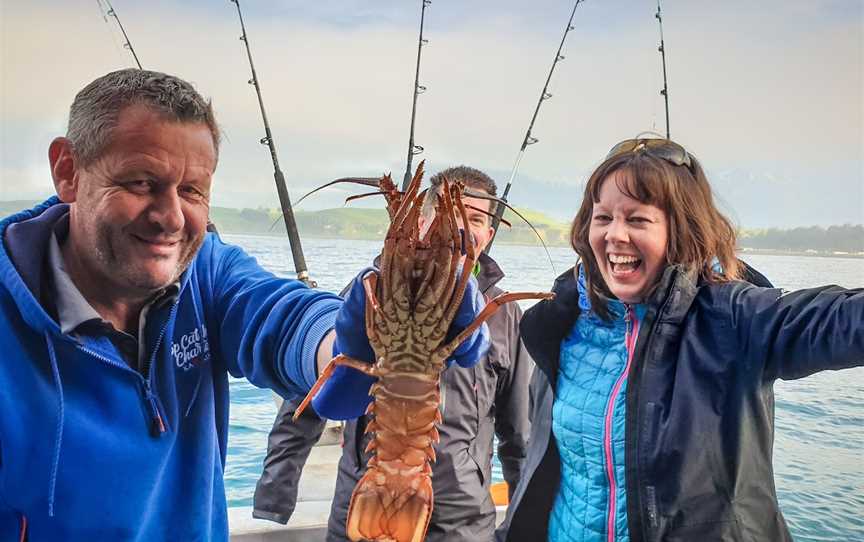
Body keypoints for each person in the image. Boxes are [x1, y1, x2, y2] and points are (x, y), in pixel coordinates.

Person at [0, 68, 489, 542]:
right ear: (68, 171)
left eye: (192, 190)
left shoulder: (205, 271)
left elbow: (288, 320)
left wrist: (354, 336)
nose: (171, 217)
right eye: (140, 182)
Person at [497, 137, 864, 541]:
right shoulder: (560, 320)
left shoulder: (733, 317)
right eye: (603, 218)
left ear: (680, 230)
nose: (615, 235)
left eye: (637, 219)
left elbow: (834, 320)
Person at [253, 166, 534, 541]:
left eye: (477, 219)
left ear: (490, 233)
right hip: (365, 496)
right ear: (422, 221)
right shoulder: (371, 288)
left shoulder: (504, 315)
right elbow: (315, 381)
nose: (465, 228)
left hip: (461, 526)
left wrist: (522, 522)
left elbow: (518, 432)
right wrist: (277, 489)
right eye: (452, 216)